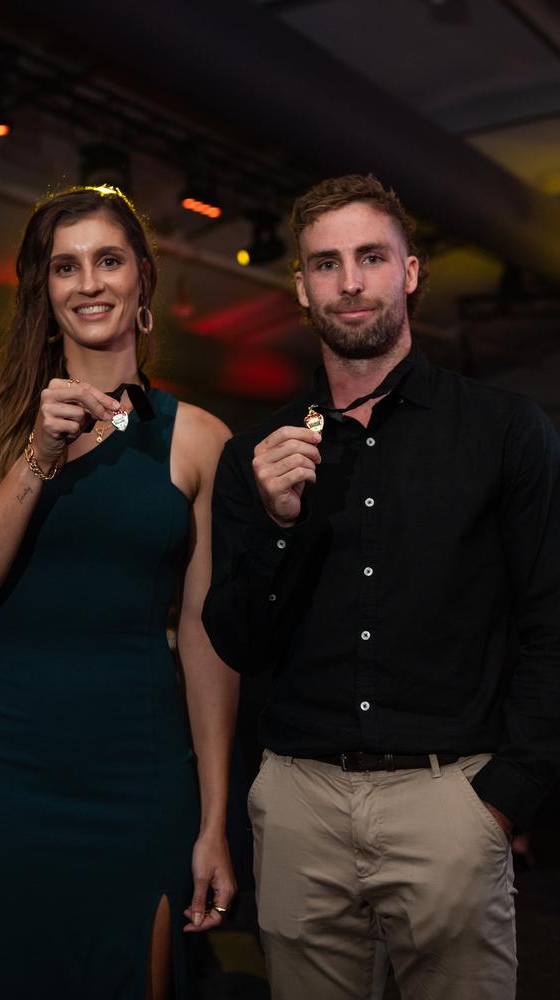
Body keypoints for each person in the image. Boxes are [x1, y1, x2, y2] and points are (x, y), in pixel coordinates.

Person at [202, 174, 560, 1000]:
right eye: (326, 264)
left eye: (371, 257)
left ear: (410, 272)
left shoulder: (504, 431)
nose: (350, 281)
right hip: (298, 805)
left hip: (451, 799)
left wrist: (506, 798)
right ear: (300, 288)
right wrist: (279, 525)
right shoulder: (256, 456)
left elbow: (550, 620)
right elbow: (240, 641)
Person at [0, 184, 238, 1000]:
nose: (89, 282)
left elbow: (210, 644)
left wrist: (213, 822)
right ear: (43, 290)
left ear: (142, 280)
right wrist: (37, 454)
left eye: (108, 260)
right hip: (4, 775)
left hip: (140, 782)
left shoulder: (200, 440)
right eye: (65, 267)